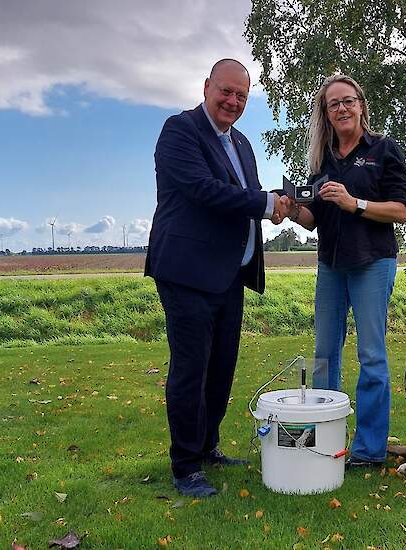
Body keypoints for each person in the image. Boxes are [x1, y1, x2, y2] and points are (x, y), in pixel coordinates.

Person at [145, 59, 291, 497]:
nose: (232, 101)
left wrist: (286, 205)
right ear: (207, 86)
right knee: (191, 369)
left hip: (229, 275)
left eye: (241, 96)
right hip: (187, 272)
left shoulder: (242, 143)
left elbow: (246, 196)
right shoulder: (180, 131)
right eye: (226, 91)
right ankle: (186, 466)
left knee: (221, 369)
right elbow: (205, 191)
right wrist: (267, 204)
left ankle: (207, 446)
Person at [285, 74, 406, 468]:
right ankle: (326, 436)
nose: (341, 108)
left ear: (361, 106)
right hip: (331, 265)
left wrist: (354, 202)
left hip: (373, 261)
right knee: (324, 354)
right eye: (333, 103)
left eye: (348, 101)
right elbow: (312, 220)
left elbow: (401, 210)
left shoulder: (384, 149)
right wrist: (292, 211)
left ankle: (370, 449)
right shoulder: (322, 160)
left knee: (372, 354)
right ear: (325, 113)